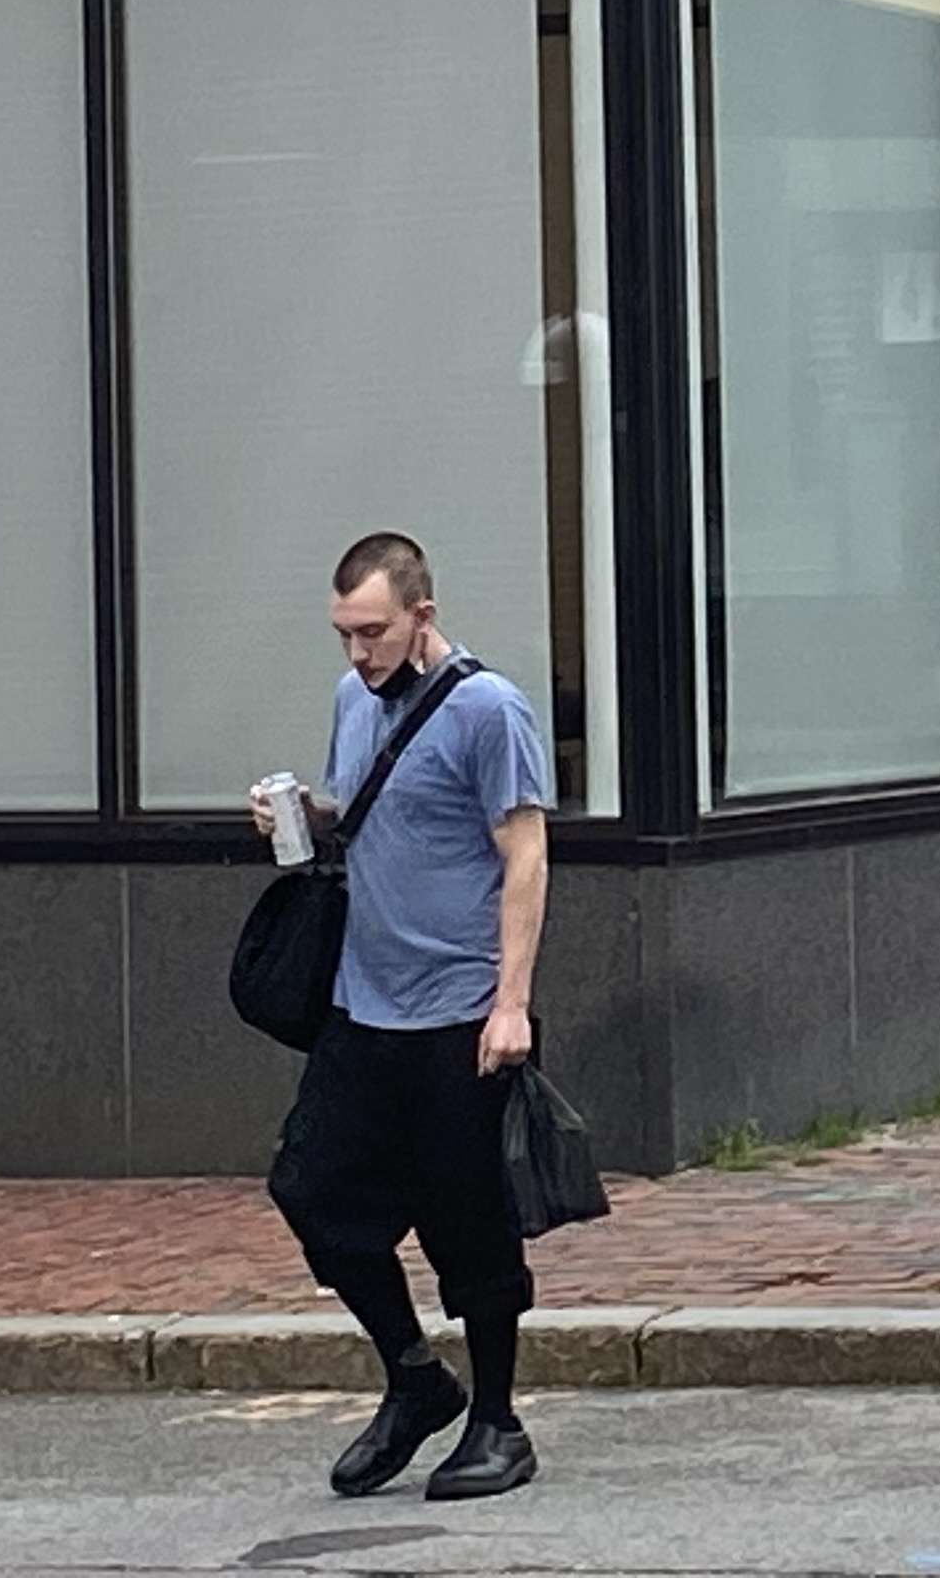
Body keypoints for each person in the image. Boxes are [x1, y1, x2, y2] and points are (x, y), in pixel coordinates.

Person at [250, 532, 555, 1502]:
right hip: (361, 1001)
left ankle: (498, 1422)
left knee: (467, 1224)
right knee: (311, 1189)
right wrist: (309, 811)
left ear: (421, 615)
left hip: (456, 1011)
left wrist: (510, 1005)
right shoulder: (353, 701)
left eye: (373, 632)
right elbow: (379, 809)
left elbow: (525, 855)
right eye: (343, 633)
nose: (357, 653)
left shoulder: (488, 711)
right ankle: (415, 1377)